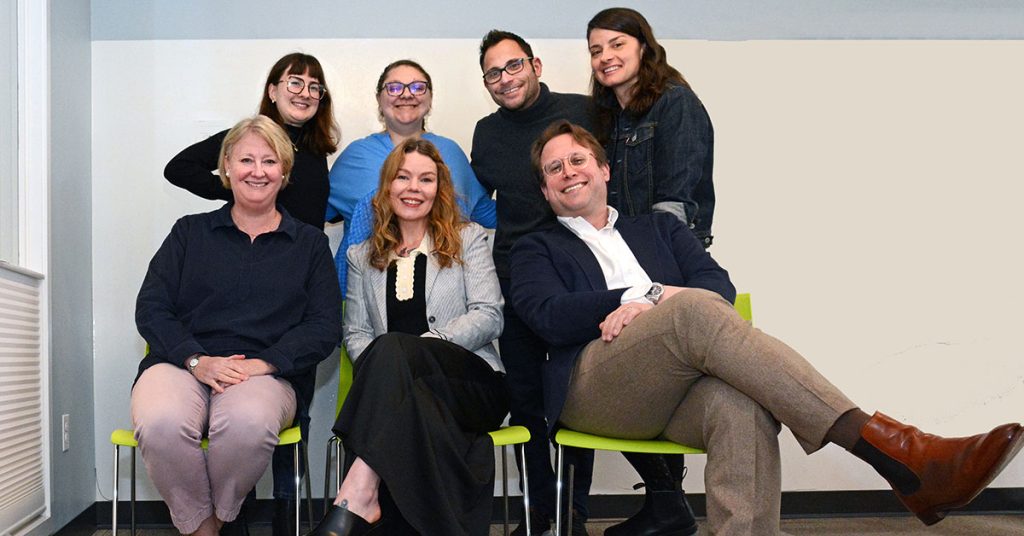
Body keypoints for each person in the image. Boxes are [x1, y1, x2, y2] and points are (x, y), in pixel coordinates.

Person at [509, 120, 1024, 535]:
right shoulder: (538, 246)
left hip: (674, 388)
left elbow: (720, 288)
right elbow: (549, 316)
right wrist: (644, 296)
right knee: (691, 311)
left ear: (602, 169)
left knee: (742, 405)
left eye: (577, 160)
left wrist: (654, 303)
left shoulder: (660, 227)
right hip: (596, 384)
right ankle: (898, 451)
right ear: (546, 190)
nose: (567, 172)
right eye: (554, 169)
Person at [133, 115, 342, 536]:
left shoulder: (310, 245)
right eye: (246, 159)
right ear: (226, 167)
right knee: (160, 422)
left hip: (266, 374)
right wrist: (197, 361)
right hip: (181, 365)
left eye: (269, 161)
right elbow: (152, 308)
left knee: (247, 424)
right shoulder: (189, 233)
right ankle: (209, 528)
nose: (258, 171)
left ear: (284, 172)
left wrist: (264, 364)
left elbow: (323, 326)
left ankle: (216, 519)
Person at [308, 138, 508, 536]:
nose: (414, 188)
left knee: (396, 345)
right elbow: (357, 331)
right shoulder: (361, 255)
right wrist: (389, 366)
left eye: (426, 179)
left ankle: (357, 490)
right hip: (406, 393)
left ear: (440, 189)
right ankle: (366, 498)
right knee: (393, 366)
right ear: (387, 187)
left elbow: (489, 316)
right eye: (403, 177)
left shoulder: (468, 238)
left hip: (472, 384)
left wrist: (423, 346)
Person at [471, 29, 594, 536]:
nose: (506, 78)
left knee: (575, 397)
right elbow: (482, 202)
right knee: (525, 401)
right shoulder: (486, 131)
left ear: (536, 64)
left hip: (575, 277)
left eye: (514, 65)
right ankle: (538, 508)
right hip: (514, 278)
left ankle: (573, 514)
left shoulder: (585, 112)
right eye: (493, 73)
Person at [327, 59, 496, 296]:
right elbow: (312, 212)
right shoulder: (355, 157)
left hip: (441, 293)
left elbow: (483, 212)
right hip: (366, 296)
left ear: (429, 99)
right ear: (379, 99)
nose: (406, 94)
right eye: (394, 87)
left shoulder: (451, 154)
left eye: (418, 87)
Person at [165, 52, 339, 230]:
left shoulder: (315, 146)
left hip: (308, 253)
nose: (305, 94)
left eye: (314, 87)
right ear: (272, 91)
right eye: (295, 83)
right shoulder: (249, 138)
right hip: (260, 250)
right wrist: (239, 188)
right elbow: (178, 168)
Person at [588, 8, 715, 249]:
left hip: (667, 249)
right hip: (620, 250)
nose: (605, 57)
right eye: (596, 51)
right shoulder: (605, 115)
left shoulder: (676, 102)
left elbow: (675, 200)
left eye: (617, 45)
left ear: (643, 47)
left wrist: (660, 258)